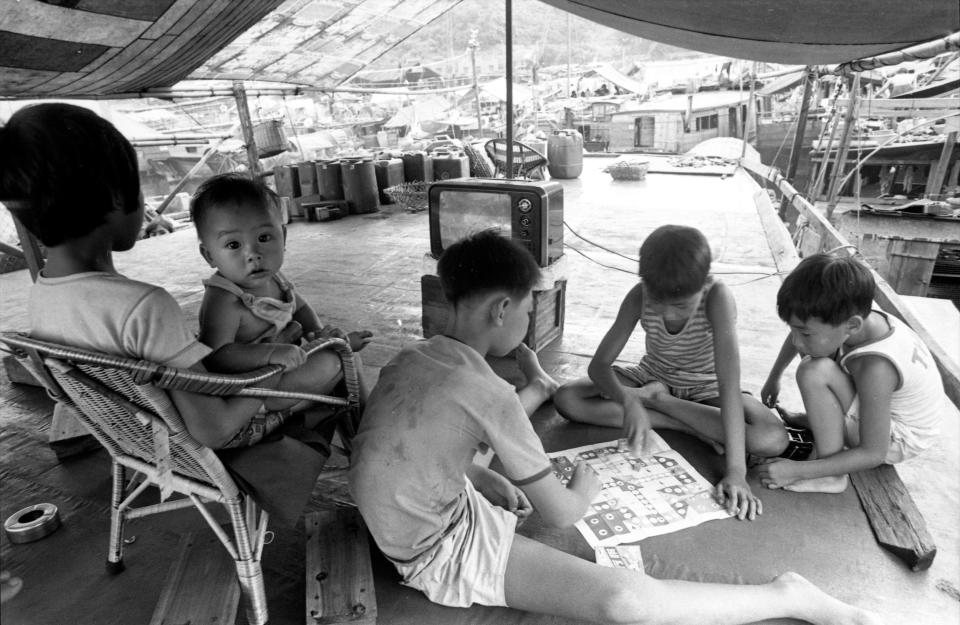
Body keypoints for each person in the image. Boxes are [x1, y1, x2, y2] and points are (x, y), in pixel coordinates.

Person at [348, 229, 881, 625]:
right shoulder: (490, 393)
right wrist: (583, 483)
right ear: (503, 308)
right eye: (531, 307)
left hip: (413, 511)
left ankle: (631, 406)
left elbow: (406, 444)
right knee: (625, 602)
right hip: (433, 548)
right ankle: (789, 597)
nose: (530, 319)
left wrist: (476, 476)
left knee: (497, 454)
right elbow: (560, 511)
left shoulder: (407, 359)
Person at [0, 103, 328, 526]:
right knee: (335, 362)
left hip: (134, 441)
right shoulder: (144, 307)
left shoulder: (42, 296)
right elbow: (215, 430)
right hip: (208, 445)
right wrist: (269, 379)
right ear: (119, 198)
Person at [553, 225, 788, 521]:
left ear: (704, 284)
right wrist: (629, 402)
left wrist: (736, 471)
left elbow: (729, 384)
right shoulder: (638, 295)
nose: (668, 314)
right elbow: (599, 365)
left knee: (771, 438)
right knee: (568, 398)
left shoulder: (717, 297)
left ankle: (661, 403)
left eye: (680, 306)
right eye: (657, 302)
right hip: (652, 375)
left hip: (707, 389)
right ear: (644, 283)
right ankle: (685, 425)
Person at [190, 173, 372, 441]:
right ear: (209, 255)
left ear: (283, 236)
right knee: (338, 363)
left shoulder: (274, 278)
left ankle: (364, 426)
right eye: (233, 245)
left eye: (264, 238)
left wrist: (322, 336)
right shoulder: (225, 299)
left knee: (348, 357)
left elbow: (300, 308)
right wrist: (270, 353)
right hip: (255, 391)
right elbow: (215, 356)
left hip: (287, 365)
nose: (253, 253)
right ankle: (365, 432)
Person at [758, 254, 945, 493]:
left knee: (814, 370)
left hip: (898, 440)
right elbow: (801, 328)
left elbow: (873, 453)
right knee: (817, 350)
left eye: (804, 334)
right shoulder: (851, 316)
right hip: (885, 416)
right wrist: (774, 378)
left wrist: (795, 470)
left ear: (853, 325)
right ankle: (829, 427)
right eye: (793, 329)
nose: (797, 340)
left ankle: (832, 477)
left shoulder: (875, 366)